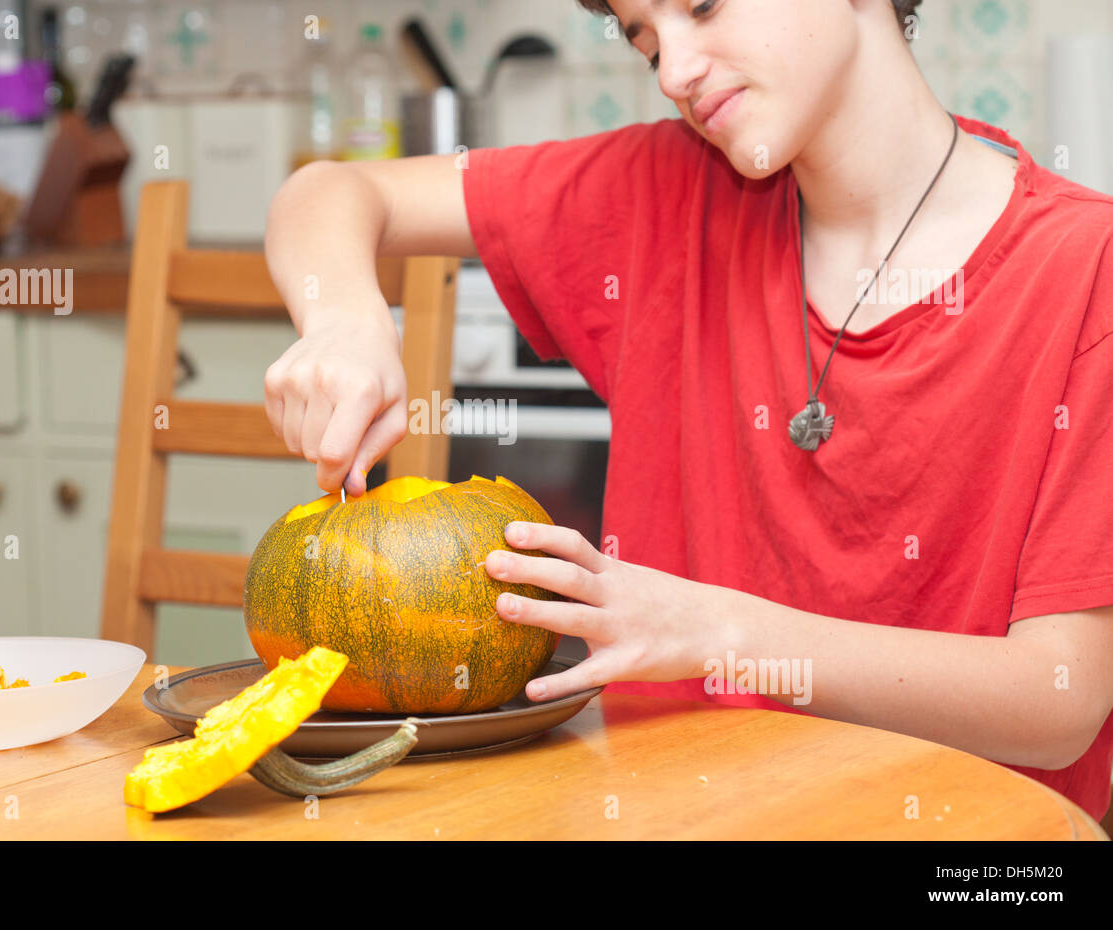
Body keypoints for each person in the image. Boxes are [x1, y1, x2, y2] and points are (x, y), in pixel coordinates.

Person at [262, 0, 1113, 822]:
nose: (672, 71)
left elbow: (1057, 700)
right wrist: (344, 317)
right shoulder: (665, 189)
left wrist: (721, 632)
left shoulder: (1086, 268)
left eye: (702, 6)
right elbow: (329, 192)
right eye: (642, 40)